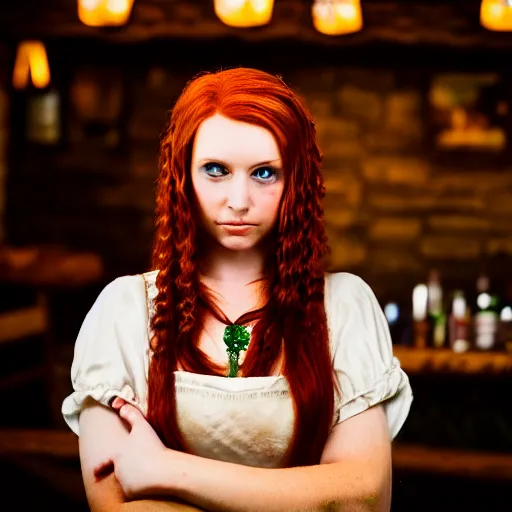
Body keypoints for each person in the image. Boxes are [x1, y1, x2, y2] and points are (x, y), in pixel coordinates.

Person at [62, 67, 413, 512]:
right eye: (215, 170)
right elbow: (117, 507)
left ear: (296, 182)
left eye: (265, 173)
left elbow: (363, 498)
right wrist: (306, 496)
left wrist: (166, 470)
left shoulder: (344, 306)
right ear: (181, 177)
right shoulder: (125, 310)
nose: (239, 199)